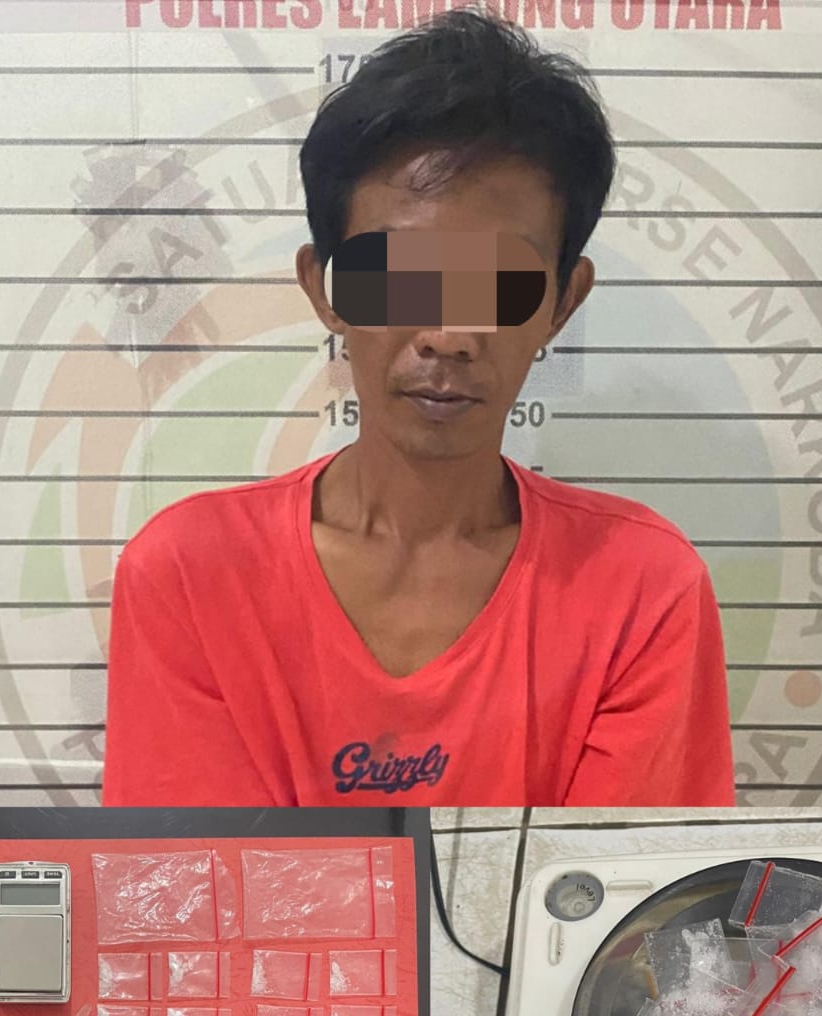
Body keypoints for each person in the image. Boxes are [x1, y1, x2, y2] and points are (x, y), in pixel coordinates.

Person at [103, 11, 734, 807]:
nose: (448, 335)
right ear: (323, 287)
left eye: (499, 284)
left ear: (562, 303)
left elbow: (612, 886)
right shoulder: (189, 576)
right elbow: (200, 878)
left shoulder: (644, 590)